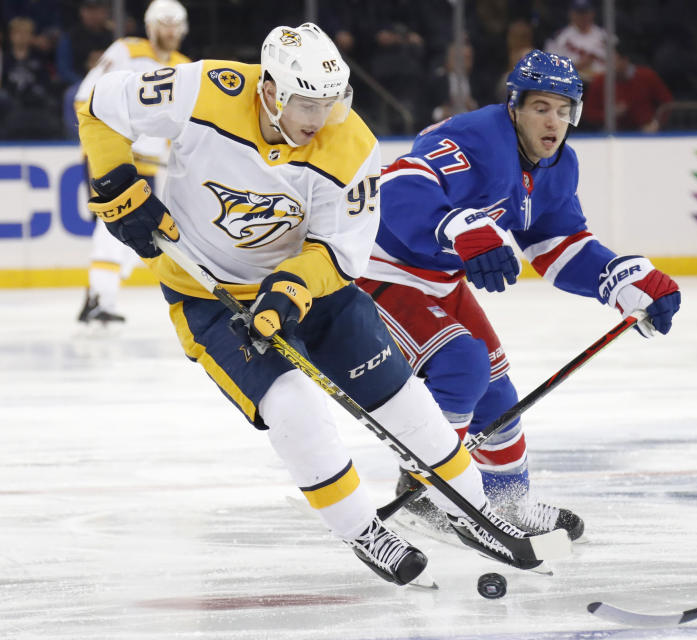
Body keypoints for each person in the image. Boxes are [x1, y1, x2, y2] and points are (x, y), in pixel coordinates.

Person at [76, 22, 551, 586]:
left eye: (330, 102)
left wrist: (288, 290)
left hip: (315, 290)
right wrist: (117, 184)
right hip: (209, 295)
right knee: (294, 406)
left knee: (401, 398)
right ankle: (362, 530)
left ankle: (473, 506)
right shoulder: (204, 90)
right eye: (305, 102)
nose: (319, 117)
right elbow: (97, 106)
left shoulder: (351, 145)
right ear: (271, 90)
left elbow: (339, 253)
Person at [356, 50, 681, 540]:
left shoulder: (559, 165)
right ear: (514, 107)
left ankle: (507, 502)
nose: (554, 121)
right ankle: (421, 494)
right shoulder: (476, 138)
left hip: (440, 278)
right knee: (462, 363)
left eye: (564, 109)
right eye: (541, 108)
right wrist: (457, 225)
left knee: (496, 391)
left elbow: (559, 247)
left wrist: (621, 277)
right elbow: (400, 183)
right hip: (379, 270)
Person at [74, 0, 191, 325]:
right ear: (150, 26)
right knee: (111, 224)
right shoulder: (126, 50)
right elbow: (85, 96)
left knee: (139, 231)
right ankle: (102, 298)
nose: (169, 31)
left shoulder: (186, 66)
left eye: (174, 25)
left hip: (153, 165)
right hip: (112, 157)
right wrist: (111, 141)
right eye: (163, 24)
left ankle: (95, 297)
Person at [582, 47, 673, 132]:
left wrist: (656, 123)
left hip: (647, 132)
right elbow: (589, 113)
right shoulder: (599, 81)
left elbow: (666, 103)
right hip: (612, 132)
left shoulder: (647, 76)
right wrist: (609, 114)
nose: (609, 66)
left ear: (625, 60)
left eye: (613, 61)